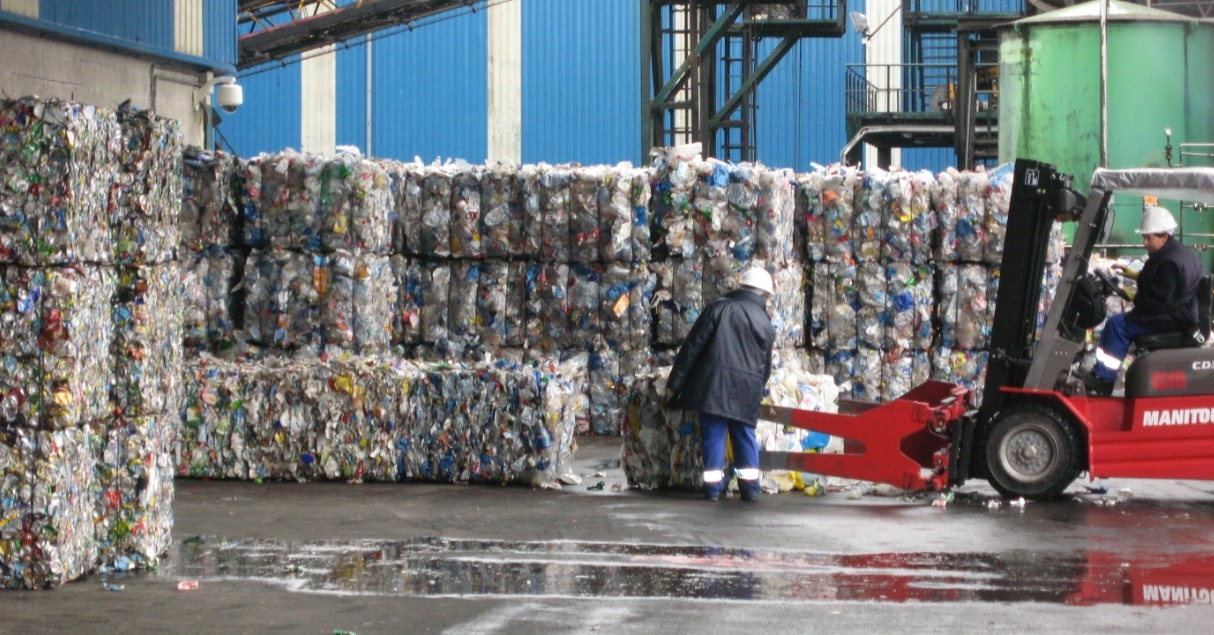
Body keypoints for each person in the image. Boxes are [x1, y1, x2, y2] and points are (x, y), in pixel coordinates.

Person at [665, 267, 776, 501]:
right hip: (746, 391)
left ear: (742, 286)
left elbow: (692, 348)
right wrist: (757, 388)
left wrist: (675, 384)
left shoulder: (719, 308)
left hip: (714, 387)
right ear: (765, 295)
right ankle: (750, 489)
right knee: (744, 435)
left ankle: (714, 490)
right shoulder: (765, 322)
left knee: (714, 435)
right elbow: (766, 366)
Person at [1081, 206, 1203, 396]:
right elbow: (1162, 283)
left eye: (1149, 238)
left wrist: (1134, 296)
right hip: (1178, 313)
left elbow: (1158, 302)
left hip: (1169, 318)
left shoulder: (1169, 262)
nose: (1145, 242)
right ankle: (1103, 376)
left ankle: (1103, 378)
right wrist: (1137, 275)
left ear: (1164, 236)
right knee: (1119, 322)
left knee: (1116, 325)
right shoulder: (1176, 252)